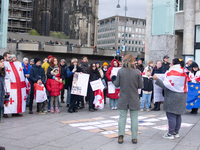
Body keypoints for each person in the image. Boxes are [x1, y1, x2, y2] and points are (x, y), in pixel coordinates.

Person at [153, 58, 187, 140]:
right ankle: (176, 132)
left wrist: (157, 79)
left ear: (174, 65)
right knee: (178, 115)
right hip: (182, 95)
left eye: (171, 64)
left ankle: (170, 133)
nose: (169, 65)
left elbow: (166, 85)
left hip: (172, 96)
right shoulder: (184, 72)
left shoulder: (171, 73)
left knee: (171, 115)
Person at [111, 55, 143, 144]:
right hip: (134, 98)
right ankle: (134, 138)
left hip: (123, 98)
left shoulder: (121, 71)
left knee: (122, 118)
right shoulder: (137, 72)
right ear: (133, 62)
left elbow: (116, 84)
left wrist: (113, 78)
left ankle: (120, 136)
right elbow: (140, 86)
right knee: (134, 118)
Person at [0, 55, 9, 150]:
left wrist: (6, 99)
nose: (3, 63)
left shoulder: (2, 74)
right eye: (1, 61)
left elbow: (4, 88)